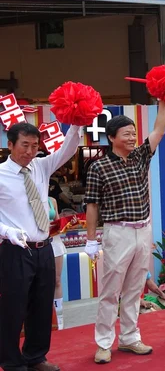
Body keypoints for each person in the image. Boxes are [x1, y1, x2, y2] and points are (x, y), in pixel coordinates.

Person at [84, 99, 165, 364]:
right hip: (116, 232)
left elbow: (159, 130)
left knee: (134, 289)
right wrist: (90, 240)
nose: (133, 137)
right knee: (110, 291)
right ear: (111, 137)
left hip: (142, 230)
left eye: (134, 133)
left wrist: (163, 102)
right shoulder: (98, 167)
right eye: (127, 133)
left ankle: (130, 338)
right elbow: (92, 206)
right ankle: (104, 343)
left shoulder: (141, 156)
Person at [0, 122, 81, 371]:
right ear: (10, 144)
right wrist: (6, 231)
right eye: (25, 145)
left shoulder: (41, 166)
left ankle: (36, 356)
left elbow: (67, 150)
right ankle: (11, 362)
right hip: (14, 249)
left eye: (35, 146)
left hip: (44, 247)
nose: (30, 151)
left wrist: (76, 124)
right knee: (13, 306)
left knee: (41, 304)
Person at [48, 196, 67, 331]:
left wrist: (66, 223)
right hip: (35, 243)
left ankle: (59, 317)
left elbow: (59, 223)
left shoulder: (52, 200)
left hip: (54, 242)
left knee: (57, 280)